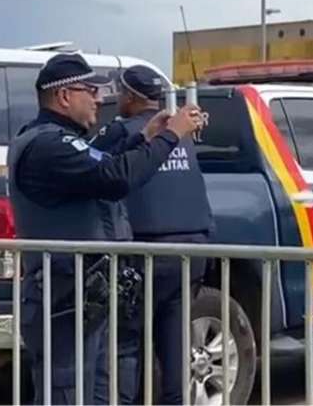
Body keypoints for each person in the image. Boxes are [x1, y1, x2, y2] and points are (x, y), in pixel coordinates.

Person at [8, 53, 202, 405]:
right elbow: (114, 177)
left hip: (83, 297)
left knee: (98, 394)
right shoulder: (48, 146)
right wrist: (172, 135)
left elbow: (100, 161)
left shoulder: (56, 141)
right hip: (63, 298)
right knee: (67, 395)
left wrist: (144, 136)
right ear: (64, 96)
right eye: (91, 90)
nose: (100, 98)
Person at [91, 65, 214, 405]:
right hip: (190, 252)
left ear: (130, 96)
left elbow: (96, 171)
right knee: (175, 349)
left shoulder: (124, 132)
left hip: (143, 253)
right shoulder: (181, 133)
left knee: (127, 347)